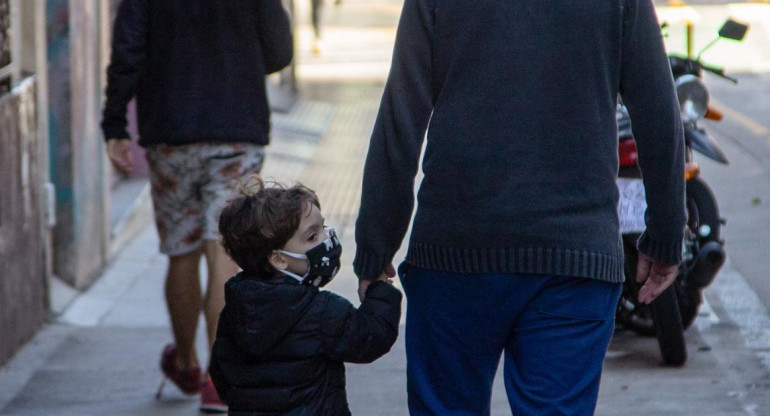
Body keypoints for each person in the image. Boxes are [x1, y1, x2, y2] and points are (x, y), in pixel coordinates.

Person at [354, 0, 686, 414]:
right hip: (575, 257)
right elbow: (657, 108)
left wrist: (375, 247)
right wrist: (668, 234)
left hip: (456, 254)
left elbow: (400, 117)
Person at [100, 0, 293, 412]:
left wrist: (115, 123)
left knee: (181, 251)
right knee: (226, 250)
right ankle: (218, 380)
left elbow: (128, 48)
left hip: (170, 133)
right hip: (237, 134)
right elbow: (279, 52)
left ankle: (186, 363)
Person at [209, 179, 402, 415]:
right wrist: (380, 291)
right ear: (279, 258)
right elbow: (371, 338)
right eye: (312, 237)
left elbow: (221, 372)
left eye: (323, 227)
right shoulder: (321, 310)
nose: (326, 239)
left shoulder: (236, 311)